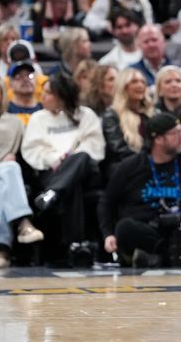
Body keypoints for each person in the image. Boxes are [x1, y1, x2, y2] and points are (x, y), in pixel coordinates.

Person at [98, 112, 181, 268]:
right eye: (175, 133)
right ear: (158, 139)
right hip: (149, 229)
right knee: (125, 228)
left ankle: (156, 258)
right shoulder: (130, 166)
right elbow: (107, 202)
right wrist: (108, 234)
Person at [21, 74, 105, 260]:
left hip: (85, 169)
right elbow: (31, 150)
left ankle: (52, 193)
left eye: (48, 93)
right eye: (42, 92)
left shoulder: (86, 115)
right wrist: (53, 159)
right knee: (71, 185)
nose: (42, 96)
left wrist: (70, 159)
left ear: (62, 96)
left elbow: (95, 147)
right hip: (52, 171)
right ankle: (75, 244)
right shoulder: (38, 118)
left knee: (80, 158)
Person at [0, 81, 44, 267]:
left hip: (5, 172)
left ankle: (2, 250)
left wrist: (14, 156)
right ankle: (23, 224)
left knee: (9, 172)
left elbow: (27, 152)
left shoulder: (14, 122)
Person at [101, 68, 153, 183]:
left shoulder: (149, 116)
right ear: (123, 87)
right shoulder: (112, 115)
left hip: (147, 166)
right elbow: (118, 149)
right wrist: (145, 162)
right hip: (122, 168)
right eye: (134, 82)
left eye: (143, 82)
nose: (140, 85)